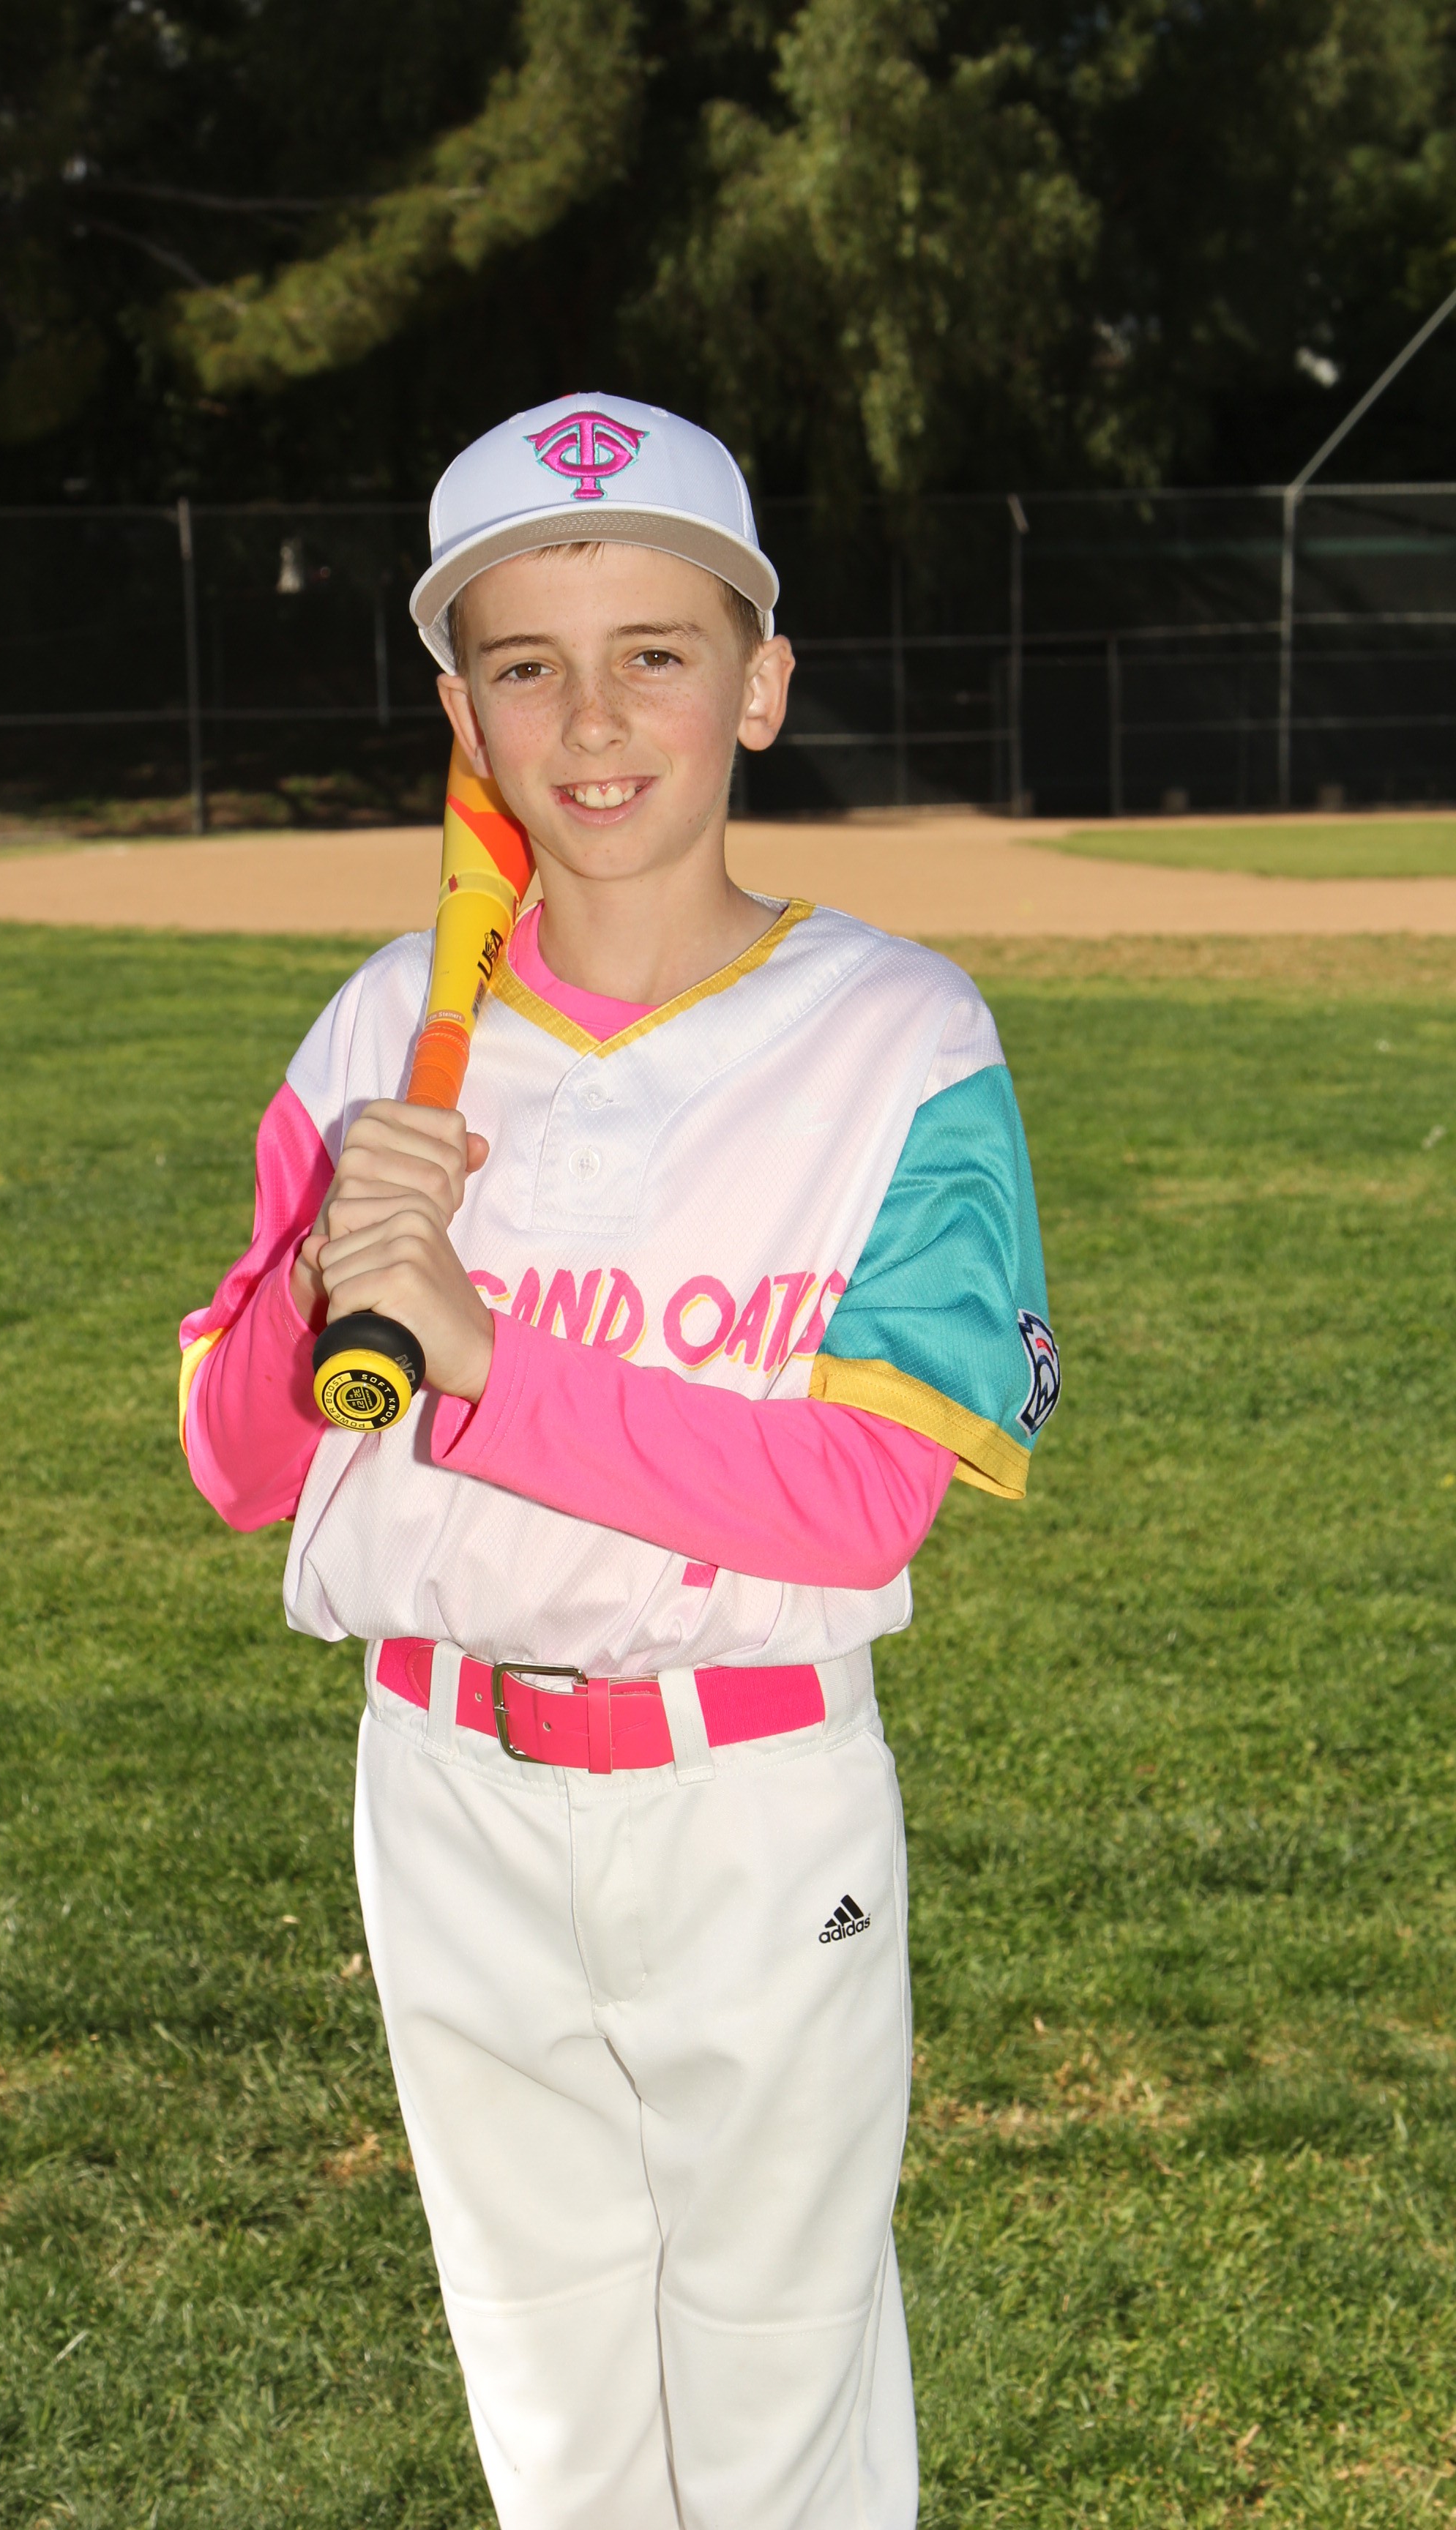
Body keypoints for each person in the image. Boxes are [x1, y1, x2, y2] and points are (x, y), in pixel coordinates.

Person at [179, 393, 1059, 2530]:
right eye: (526, 664)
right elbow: (234, 1462)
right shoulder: (382, 1033)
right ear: (461, 711)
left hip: (752, 1803)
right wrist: (322, 1280)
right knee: (556, 2415)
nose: (592, 720)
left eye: (657, 653)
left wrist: (485, 1355)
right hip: (444, 1793)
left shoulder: (904, 1038)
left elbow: (859, 1499)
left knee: (774, 2401)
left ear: (761, 684)